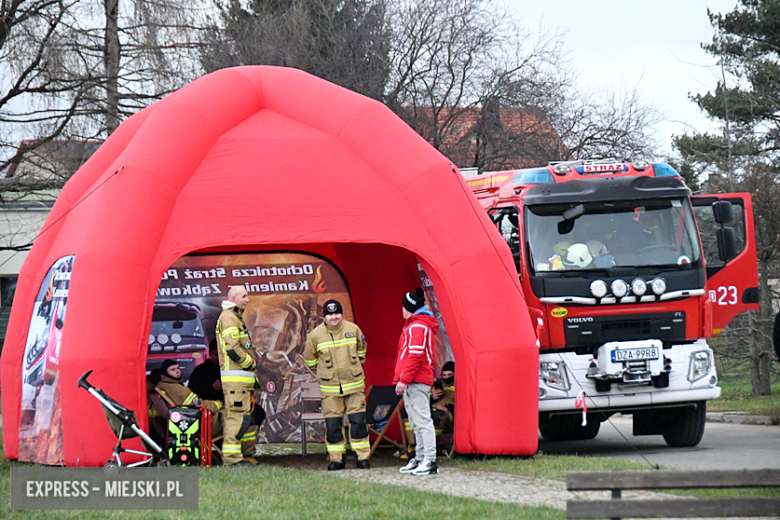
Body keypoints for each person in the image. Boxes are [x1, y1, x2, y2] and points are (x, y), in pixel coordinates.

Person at [304, 299, 370, 470]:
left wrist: (353, 367)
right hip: (330, 388)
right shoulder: (315, 335)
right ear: (324, 316)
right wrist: (324, 374)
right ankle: (336, 459)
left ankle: (361, 458)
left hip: (354, 384)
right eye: (330, 314)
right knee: (333, 425)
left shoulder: (353, 329)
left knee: (358, 422)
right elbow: (310, 361)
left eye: (337, 313)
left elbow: (362, 351)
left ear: (341, 314)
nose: (334, 317)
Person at [394, 288, 439, 476]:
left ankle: (429, 460)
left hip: (416, 380)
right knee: (415, 420)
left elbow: (415, 356)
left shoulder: (418, 327)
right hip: (414, 380)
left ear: (409, 308)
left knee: (422, 420)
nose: (402, 310)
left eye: (404, 306)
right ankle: (420, 458)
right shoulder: (415, 325)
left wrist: (404, 379)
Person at [216, 286, 260, 467]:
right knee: (235, 418)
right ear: (233, 298)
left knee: (245, 418)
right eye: (244, 296)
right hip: (236, 382)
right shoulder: (228, 317)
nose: (247, 299)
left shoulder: (235, 317)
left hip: (242, 382)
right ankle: (232, 460)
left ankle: (245, 454)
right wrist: (249, 362)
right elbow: (232, 347)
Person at [155, 360, 224, 438]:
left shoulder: (163, 385)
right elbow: (199, 405)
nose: (177, 371)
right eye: (173, 370)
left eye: (178, 368)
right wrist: (219, 404)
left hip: (185, 426)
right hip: (197, 428)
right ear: (165, 373)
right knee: (227, 414)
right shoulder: (178, 390)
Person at [431, 361, 455, 443]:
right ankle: (413, 446)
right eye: (444, 375)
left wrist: (448, 408)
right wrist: (432, 397)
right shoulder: (438, 384)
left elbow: (463, 403)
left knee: (437, 415)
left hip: (451, 413)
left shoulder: (461, 384)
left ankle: (433, 444)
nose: (446, 377)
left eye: (449, 375)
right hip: (434, 408)